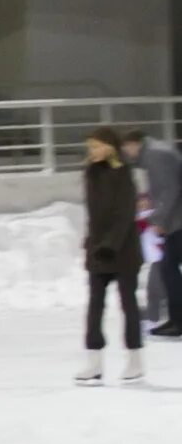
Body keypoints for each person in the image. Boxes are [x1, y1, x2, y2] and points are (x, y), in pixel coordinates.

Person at [78, 127, 147, 384]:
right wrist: (91, 240)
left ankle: (135, 360)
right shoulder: (90, 173)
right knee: (95, 306)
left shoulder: (123, 174)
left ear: (109, 147)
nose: (92, 152)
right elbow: (95, 214)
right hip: (99, 252)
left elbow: (124, 215)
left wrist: (110, 244)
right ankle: (94, 362)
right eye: (90, 147)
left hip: (124, 251)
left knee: (128, 304)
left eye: (96, 147)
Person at [140, 130, 182, 338]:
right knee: (167, 268)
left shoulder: (159, 155)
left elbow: (171, 190)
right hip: (175, 221)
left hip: (176, 222)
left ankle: (177, 321)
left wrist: (160, 219)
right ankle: (176, 320)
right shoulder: (165, 155)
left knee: (168, 268)